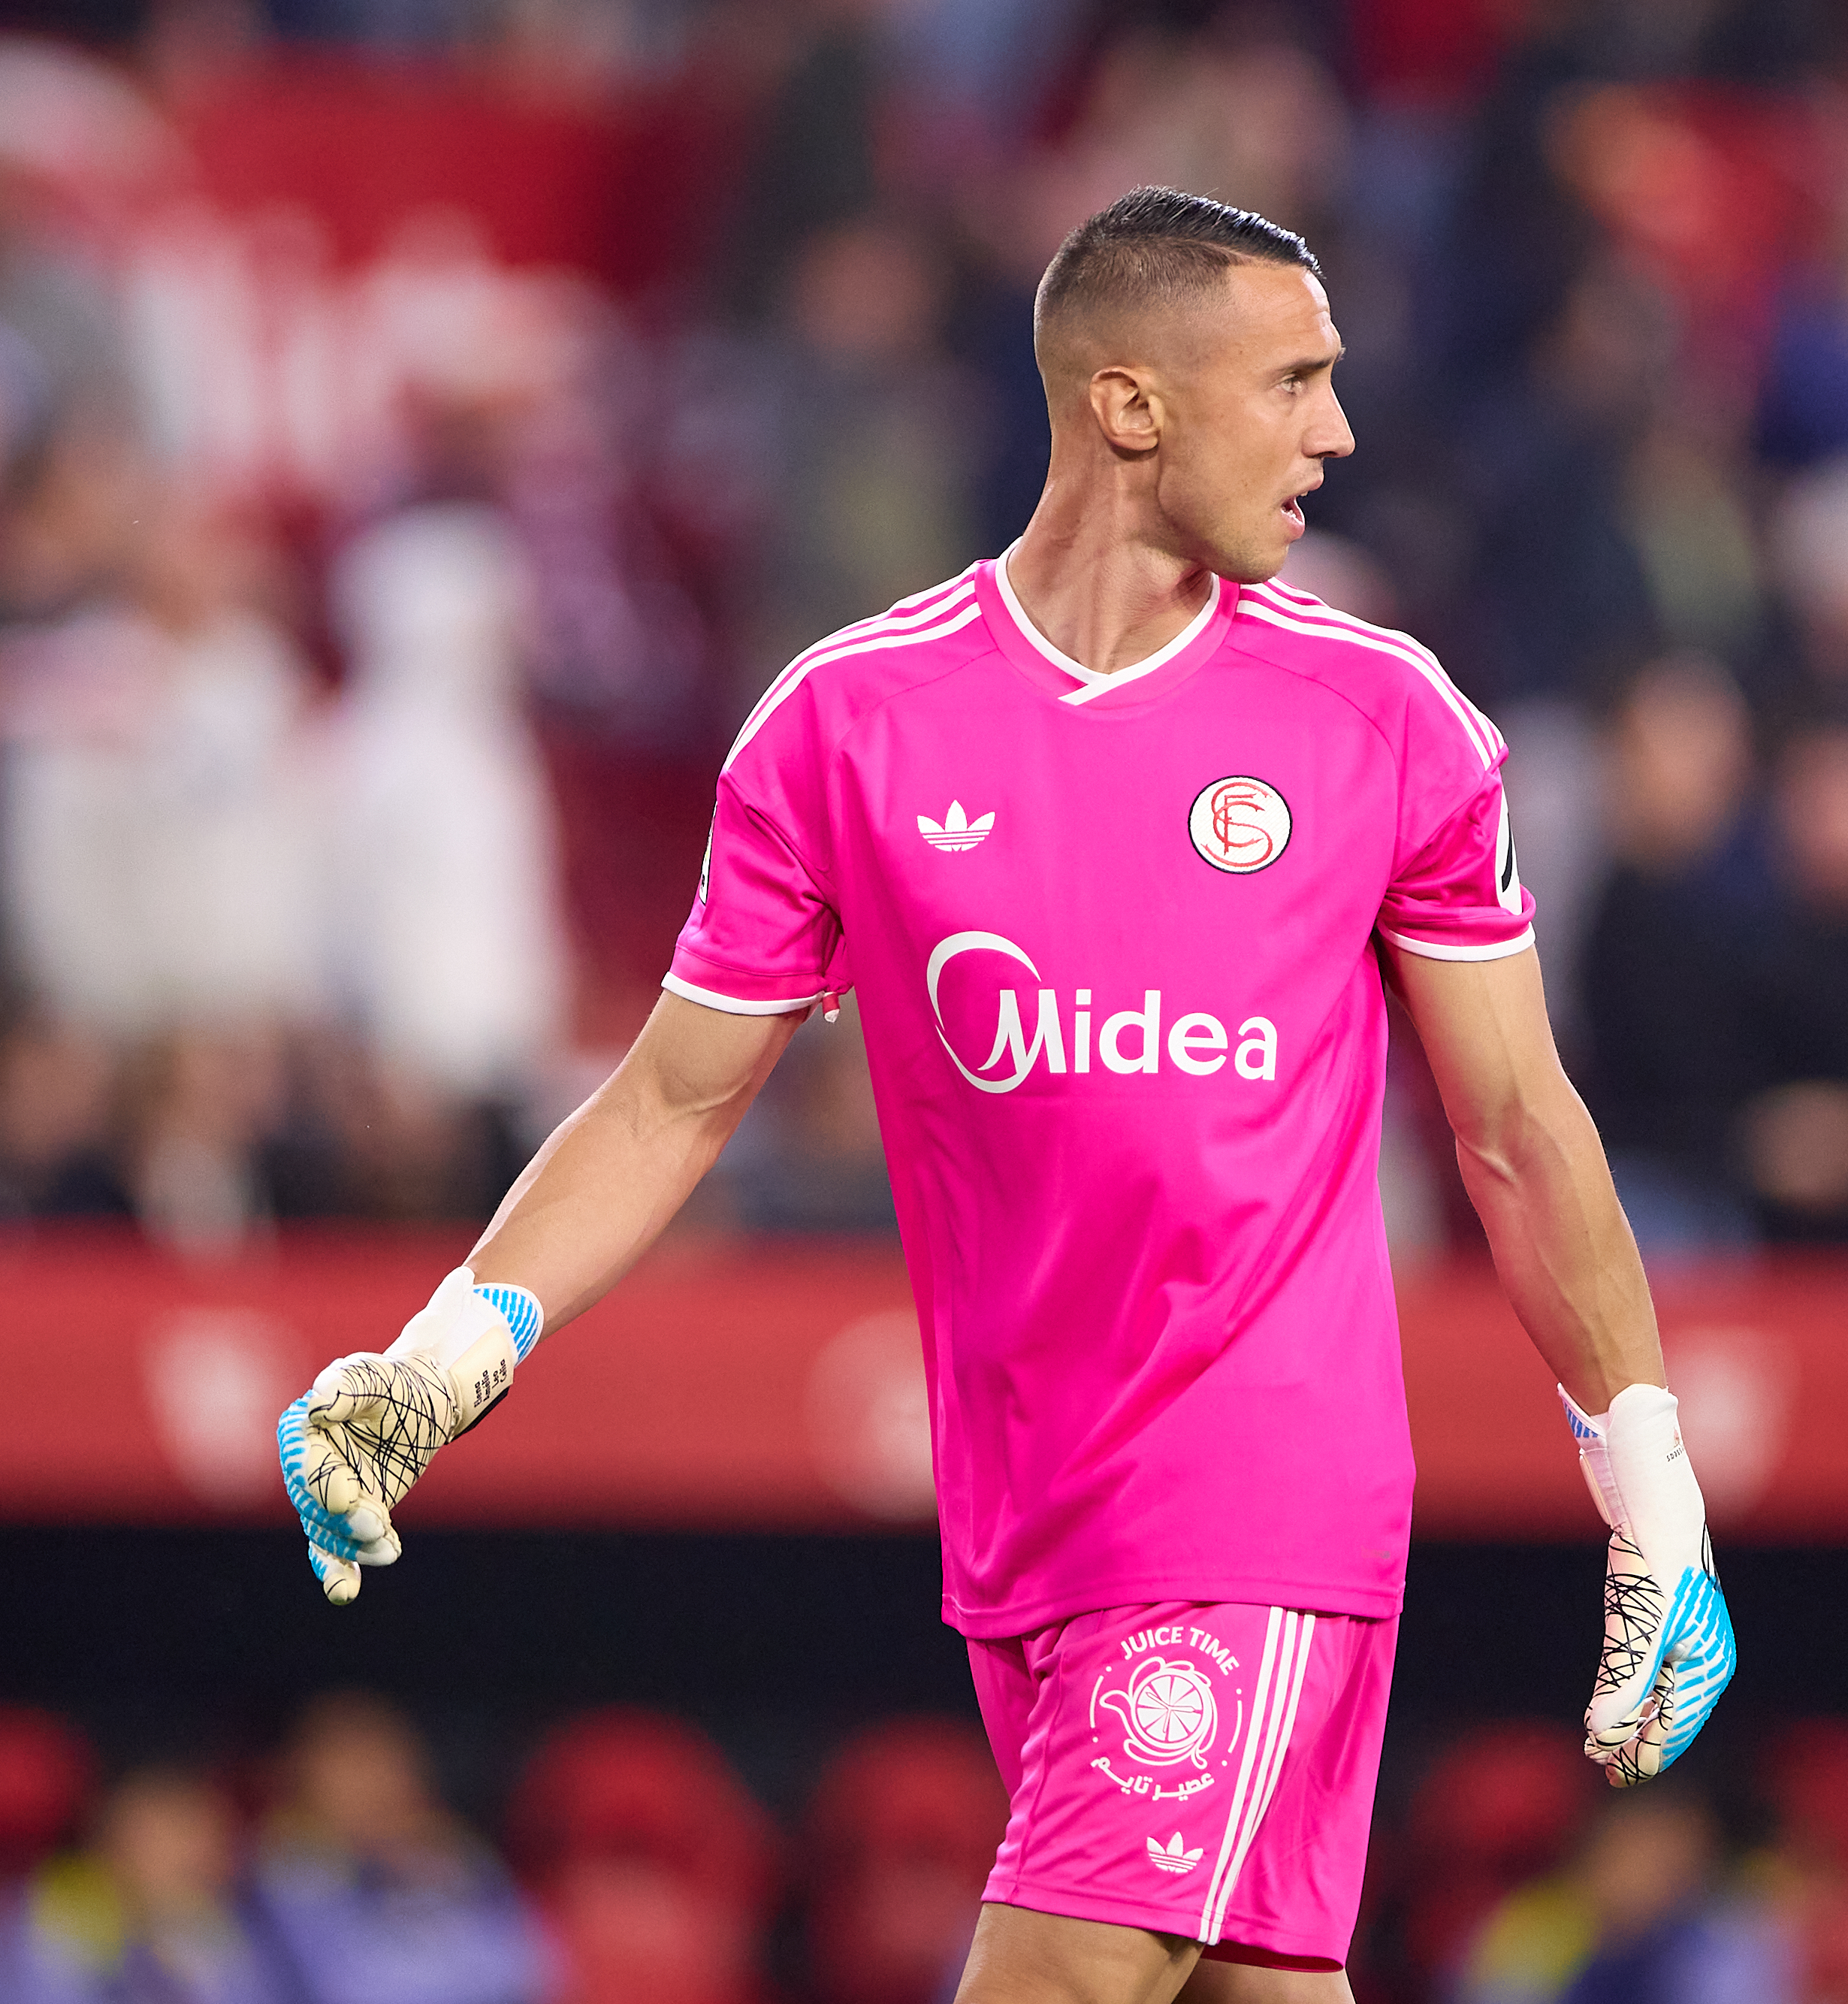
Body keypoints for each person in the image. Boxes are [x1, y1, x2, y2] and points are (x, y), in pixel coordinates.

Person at [279, 186, 1734, 2001]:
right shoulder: (848, 723)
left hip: (1252, 1507)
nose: (1337, 432)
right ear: (1130, 405)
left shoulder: (1384, 720)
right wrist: (438, 1360)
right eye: (1290, 380)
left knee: (1043, 1982)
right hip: (1029, 1526)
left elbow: (1517, 1125)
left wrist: (1647, 1483)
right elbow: (668, 1101)